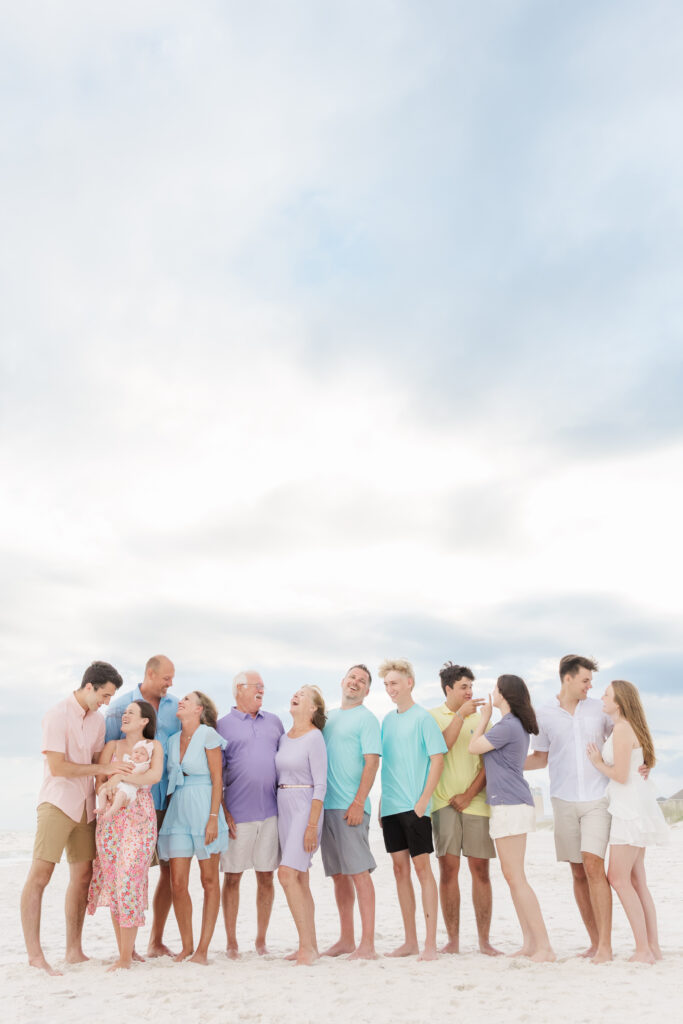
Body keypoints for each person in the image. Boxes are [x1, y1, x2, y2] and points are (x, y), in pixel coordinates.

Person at [20, 661, 126, 975]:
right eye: (104, 695)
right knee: (40, 876)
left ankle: (73, 950)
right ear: (89, 686)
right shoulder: (56, 715)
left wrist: (105, 790)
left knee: (82, 878)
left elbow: (95, 763)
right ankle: (35, 955)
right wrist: (102, 770)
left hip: (86, 805)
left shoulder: (97, 722)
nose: (107, 702)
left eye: (110, 697)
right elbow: (59, 767)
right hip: (56, 802)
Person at [524, 654, 615, 963]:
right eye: (586, 680)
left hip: (597, 798)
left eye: (591, 681)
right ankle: (593, 942)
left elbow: (623, 737)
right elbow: (540, 757)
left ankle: (606, 945)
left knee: (593, 865)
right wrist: (506, 766)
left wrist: (642, 763)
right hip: (562, 799)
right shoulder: (544, 713)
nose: (590, 686)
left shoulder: (599, 709)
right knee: (577, 872)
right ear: (567, 678)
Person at [469, 675, 555, 963]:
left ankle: (543, 946)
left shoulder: (508, 726)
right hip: (508, 804)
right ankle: (531, 944)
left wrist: (484, 717)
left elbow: (474, 746)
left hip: (511, 804)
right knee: (512, 876)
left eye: (495, 688)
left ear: (504, 694)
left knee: (516, 877)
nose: (491, 692)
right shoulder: (513, 725)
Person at [587, 680, 668, 963]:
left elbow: (621, 775)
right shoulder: (627, 728)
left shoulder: (622, 729)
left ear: (618, 702)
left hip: (628, 810)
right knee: (636, 879)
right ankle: (651, 947)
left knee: (618, 878)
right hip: (635, 807)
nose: (601, 698)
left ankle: (644, 949)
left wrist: (597, 762)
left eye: (606, 694)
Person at [104, 654, 179, 957]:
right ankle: (128, 949)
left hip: (167, 800)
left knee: (169, 872)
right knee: (127, 874)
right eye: (166, 678)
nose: (170, 684)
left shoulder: (175, 706)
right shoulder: (119, 707)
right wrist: (110, 791)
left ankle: (156, 940)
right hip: (125, 807)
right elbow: (109, 758)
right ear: (150, 673)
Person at [430, 663, 501, 956]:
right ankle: (453, 941)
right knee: (448, 870)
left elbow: (489, 763)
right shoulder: (431, 717)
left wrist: (469, 793)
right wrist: (461, 715)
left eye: (471, 686)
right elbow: (441, 748)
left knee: (480, 870)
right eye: (463, 687)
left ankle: (484, 942)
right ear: (448, 689)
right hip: (443, 803)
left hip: (476, 803)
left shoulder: (485, 718)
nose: (470, 692)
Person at [378, 658, 446, 962]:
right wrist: (381, 800)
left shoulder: (423, 718)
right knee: (398, 871)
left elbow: (438, 760)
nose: (390, 689)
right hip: (391, 806)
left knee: (422, 870)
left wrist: (423, 801)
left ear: (409, 683)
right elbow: (388, 763)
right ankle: (410, 941)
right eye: (386, 684)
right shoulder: (386, 721)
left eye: (394, 683)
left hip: (416, 807)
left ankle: (430, 943)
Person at [87, 701, 164, 970]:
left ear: (145, 720)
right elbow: (99, 782)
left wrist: (119, 778)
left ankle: (124, 959)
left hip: (140, 817)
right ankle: (126, 951)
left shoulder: (154, 747)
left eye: (131, 712)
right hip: (109, 819)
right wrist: (109, 785)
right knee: (115, 882)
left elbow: (153, 776)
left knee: (129, 876)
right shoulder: (111, 747)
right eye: (125, 712)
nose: (125, 715)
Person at [216, 670, 284, 959]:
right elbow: (215, 774)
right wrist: (223, 810)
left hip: (271, 813)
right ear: (238, 690)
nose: (262, 690)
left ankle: (261, 940)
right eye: (257, 686)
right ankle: (231, 942)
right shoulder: (222, 726)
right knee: (232, 878)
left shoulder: (275, 722)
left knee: (266, 877)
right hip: (237, 816)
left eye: (263, 687)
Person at [158, 691, 229, 964]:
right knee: (177, 882)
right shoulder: (173, 740)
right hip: (178, 810)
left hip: (204, 807)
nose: (181, 701)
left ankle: (202, 950)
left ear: (199, 709)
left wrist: (214, 817)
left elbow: (217, 778)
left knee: (209, 881)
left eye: (187, 699)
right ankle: (186, 946)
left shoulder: (208, 735)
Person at [320, 664, 381, 960]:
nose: (355, 683)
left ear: (367, 691)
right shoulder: (328, 717)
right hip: (326, 808)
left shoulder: (367, 719)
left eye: (362, 681)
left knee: (359, 874)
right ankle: (346, 939)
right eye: (352, 677)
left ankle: (367, 944)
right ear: (342, 681)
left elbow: (372, 762)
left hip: (351, 808)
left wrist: (358, 802)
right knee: (339, 876)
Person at [275, 686, 328, 966]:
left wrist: (311, 825)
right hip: (283, 805)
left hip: (305, 805)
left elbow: (321, 784)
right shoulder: (284, 738)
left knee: (286, 875)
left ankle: (306, 947)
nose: (296, 695)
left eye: (304, 694)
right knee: (300, 878)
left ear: (313, 708)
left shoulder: (315, 737)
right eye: (295, 692)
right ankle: (310, 945)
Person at [97, 740, 155, 819]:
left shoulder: (144, 765)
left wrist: (119, 775)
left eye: (142, 754)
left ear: (147, 758)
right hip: (117, 785)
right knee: (103, 791)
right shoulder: (127, 760)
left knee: (121, 795)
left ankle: (111, 811)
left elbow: (133, 774)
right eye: (136, 752)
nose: (138, 754)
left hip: (129, 788)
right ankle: (102, 808)